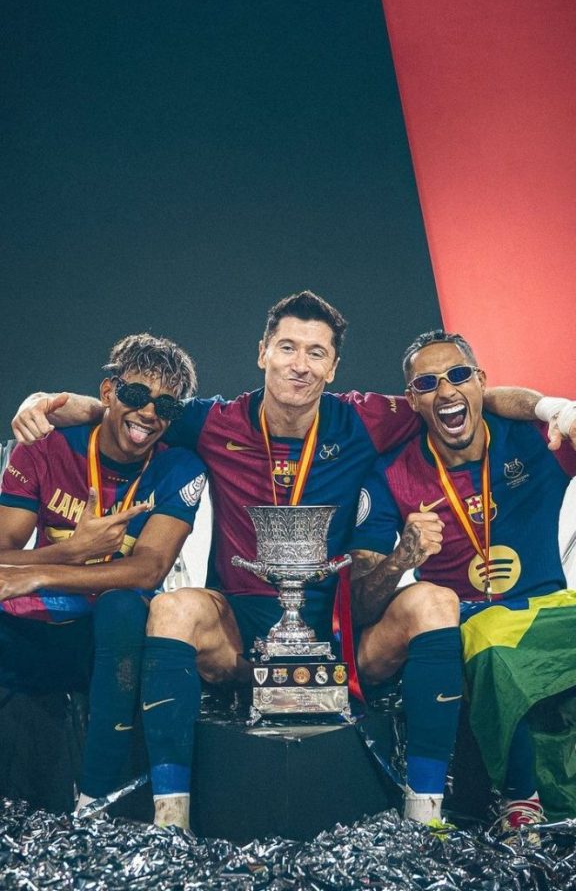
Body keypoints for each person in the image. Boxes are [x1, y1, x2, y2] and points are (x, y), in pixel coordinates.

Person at [10, 291, 558, 828]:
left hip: (336, 631)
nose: (300, 365)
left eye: (316, 352)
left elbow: (467, 396)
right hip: (238, 627)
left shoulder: (366, 418)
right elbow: (128, 407)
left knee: (433, 601)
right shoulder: (213, 420)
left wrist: (551, 407)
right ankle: (171, 821)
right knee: (172, 609)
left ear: (333, 367)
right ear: (263, 353)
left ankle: (425, 815)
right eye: (288, 348)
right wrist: (49, 404)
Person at [349, 329, 576, 837]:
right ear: (412, 400)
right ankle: (520, 801)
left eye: (458, 375)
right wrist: (402, 557)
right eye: (427, 383)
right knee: (486, 638)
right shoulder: (391, 474)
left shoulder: (531, 439)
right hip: (466, 620)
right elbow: (361, 602)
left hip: (547, 610)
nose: (446, 391)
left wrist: (558, 409)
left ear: (480, 382)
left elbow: (543, 413)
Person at [0, 333, 206, 811]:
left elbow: (149, 569)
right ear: (109, 391)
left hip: (112, 634)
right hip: (44, 623)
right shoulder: (46, 447)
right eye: (136, 395)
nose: (149, 413)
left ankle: (94, 801)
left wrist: (44, 573)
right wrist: (74, 551)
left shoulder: (180, 466)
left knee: (122, 607)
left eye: (166, 406)